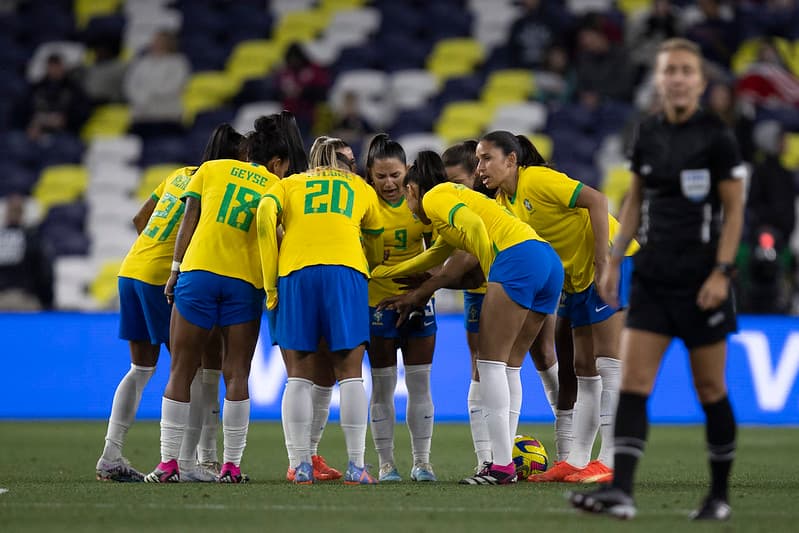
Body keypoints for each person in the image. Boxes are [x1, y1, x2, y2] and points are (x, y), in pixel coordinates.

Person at [569, 38, 745, 520]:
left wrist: (722, 272)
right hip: (652, 276)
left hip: (702, 279)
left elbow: (734, 212)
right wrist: (613, 260)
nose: (678, 78)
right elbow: (634, 201)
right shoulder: (646, 132)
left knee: (710, 389)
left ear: (700, 82)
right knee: (633, 383)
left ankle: (718, 496)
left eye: (687, 70)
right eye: (671, 70)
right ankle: (621, 492)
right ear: (660, 79)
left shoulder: (717, 137)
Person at [372, 151, 563, 485]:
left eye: (406, 195)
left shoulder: (435, 197)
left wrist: (492, 269)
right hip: (545, 260)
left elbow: (474, 227)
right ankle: (503, 461)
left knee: (489, 365)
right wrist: (377, 273)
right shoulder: (451, 204)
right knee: (509, 366)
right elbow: (432, 258)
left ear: (413, 190)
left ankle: (500, 466)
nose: (407, 205)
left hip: (515, 260)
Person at [144, 113, 305, 484]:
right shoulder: (277, 185)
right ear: (276, 162)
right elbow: (278, 235)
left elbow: (189, 218)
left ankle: (168, 464)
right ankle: (231, 466)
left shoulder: (211, 168)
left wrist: (174, 270)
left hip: (199, 273)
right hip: (244, 283)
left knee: (182, 369)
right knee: (237, 373)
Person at [478, 131, 637, 484]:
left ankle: (611, 459)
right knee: (583, 369)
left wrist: (603, 263)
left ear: (511, 160)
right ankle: (578, 460)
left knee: (609, 364)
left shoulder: (537, 179)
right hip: (577, 279)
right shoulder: (503, 201)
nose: (480, 168)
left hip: (611, 260)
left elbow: (597, 200)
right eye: (477, 160)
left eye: (486, 158)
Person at [95, 124, 244, 482]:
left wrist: (154, 252)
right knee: (191, 368)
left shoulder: (179, 175)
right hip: (163, 278)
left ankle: (111, 455)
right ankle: (190, 462)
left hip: (132, 269)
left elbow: (140, 218)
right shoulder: (220, 185)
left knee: (141, 369)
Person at [256, 141, 384, 485]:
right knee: (351, 374)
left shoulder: (289, 184)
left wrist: (270, 283)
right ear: (343, 162)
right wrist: (367, 265)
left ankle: (300, 465)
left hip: (295, 272)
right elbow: (376, 240)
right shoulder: (360, 187)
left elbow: (264, 215)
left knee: (298, 375)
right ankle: (356, 466)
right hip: (346, 271)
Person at [361, 134, 437, 483]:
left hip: (419, 302)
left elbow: (441, 252)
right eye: (381, 176)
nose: (389, 183)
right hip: (378, 303)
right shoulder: (364, 206)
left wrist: (426, 283)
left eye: (396, 175)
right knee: (382, 387)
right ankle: (386, 463)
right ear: (369, 175)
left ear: (407, 170)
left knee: (420, 384)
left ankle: (422, 462)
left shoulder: (423, 202)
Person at [281, 136, 357, 483]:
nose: (349, 168)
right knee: (302, 372)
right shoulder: (299, 190)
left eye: (352, 161)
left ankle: (308, 456)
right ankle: (297, 459)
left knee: (324, 376)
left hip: (312, 280)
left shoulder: (299, 189)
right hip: (310, 281)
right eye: (343, 161)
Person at [124, 30, 189, 138]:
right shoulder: (141, 62)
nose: (155, 43)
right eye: (154, 40)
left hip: (167, 118)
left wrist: (149, 94)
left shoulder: (178, 62)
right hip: (141, 117)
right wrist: (140, 97)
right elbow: (130, 84)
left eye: (159, 40)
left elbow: (174, 86)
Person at [0, 194, 53, 310]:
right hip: (25, 300)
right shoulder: (31, 238)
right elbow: (44, 274)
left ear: (6, 213)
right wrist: (48, 302)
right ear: (22, 214)